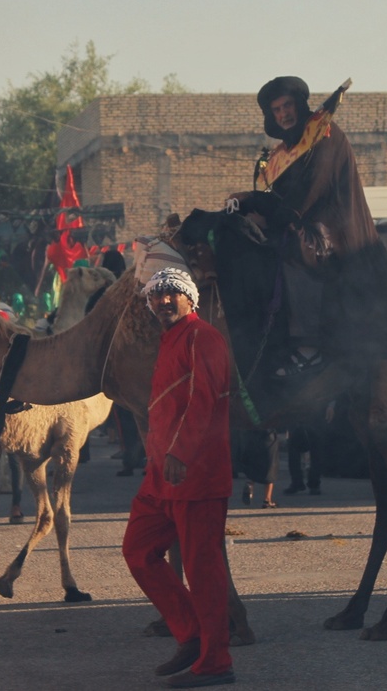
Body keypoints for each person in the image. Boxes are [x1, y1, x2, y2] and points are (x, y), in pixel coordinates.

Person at [233, 76, 387, 379]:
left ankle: (304, 345)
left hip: (334, 236)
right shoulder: (282, 153)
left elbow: (306, 195)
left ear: (299, 105)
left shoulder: (325, 134)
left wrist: (260, 206)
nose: (284, 114)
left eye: (287, 106)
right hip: (302, 225)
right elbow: (280, 200)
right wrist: (247, 202)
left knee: (285, 252)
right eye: (277, 110)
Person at [121, 268, 235, 688]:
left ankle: (216, 662)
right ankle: (192, 634)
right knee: (137, 550)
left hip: (196, 473)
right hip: (161, 476)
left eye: (171, 294)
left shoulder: (203, 337)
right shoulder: (169, 340)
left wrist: (180, 453)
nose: (162, 301)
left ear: (190, 298)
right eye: (155, 297)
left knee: (203, 570)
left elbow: (204, 400)